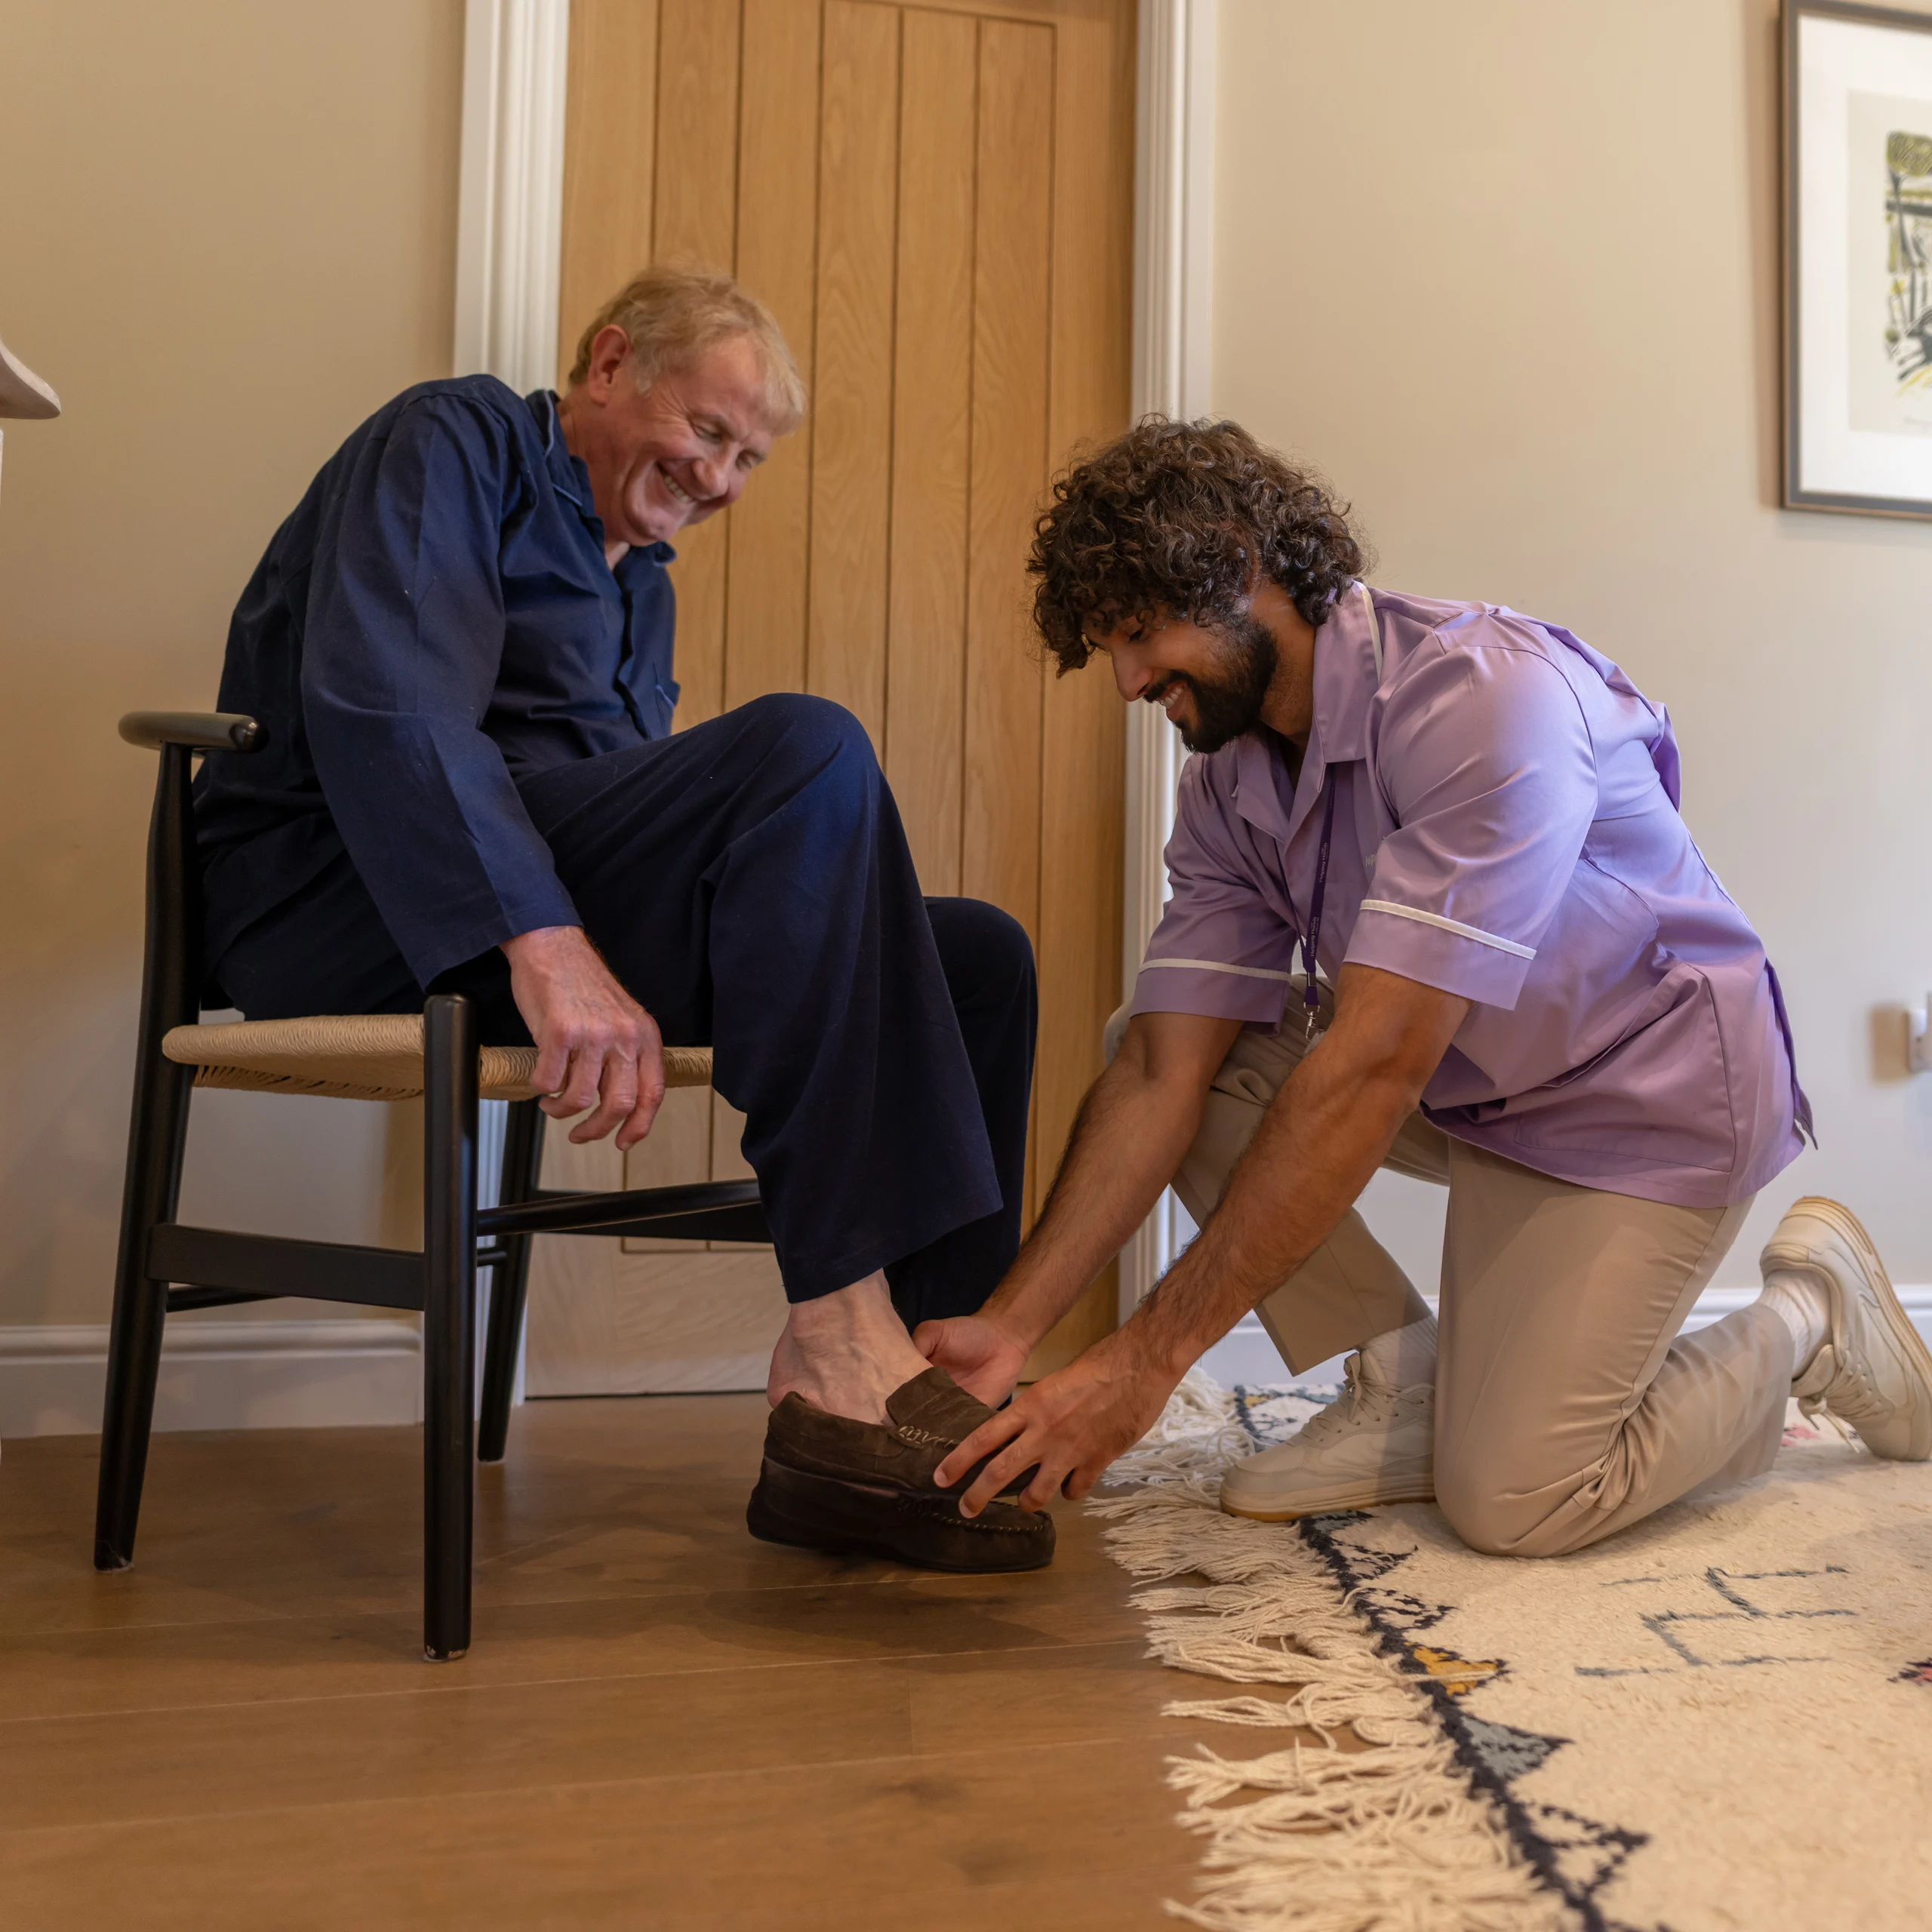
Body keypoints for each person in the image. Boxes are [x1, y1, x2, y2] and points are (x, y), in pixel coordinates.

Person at [920, 417, 1932, 1557]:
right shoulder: (1229, 782)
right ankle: (1405, 1390)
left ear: (1242, 569)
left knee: (1516, 1501)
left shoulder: (1485, 702)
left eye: (1143, 634)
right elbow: (1165, 1067)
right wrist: (1010, 1327)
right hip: (1477, 1091)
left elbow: (1369, 1068)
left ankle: (1810, 1323)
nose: (1127, 681)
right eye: (1108, 645)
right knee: (1167, 1042)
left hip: (1647, 1103)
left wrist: (1144, 1364)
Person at [193, 263, 1052, 1574]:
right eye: (710, 432)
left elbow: (636, 820)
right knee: (807, 747)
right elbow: (393, 709)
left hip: (527, 907)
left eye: (748, 459)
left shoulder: (636, 586)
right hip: (351, 898)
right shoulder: (453, 440)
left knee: (977, 953)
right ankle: (835, 1337)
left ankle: (923, 1387)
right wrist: (546, 943)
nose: (721, 481)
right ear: (608, 366)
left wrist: (590, 926)